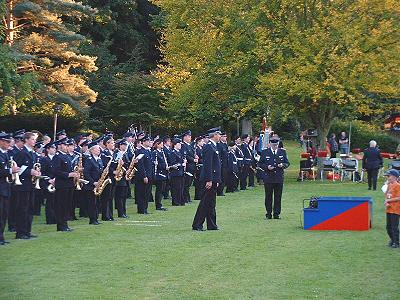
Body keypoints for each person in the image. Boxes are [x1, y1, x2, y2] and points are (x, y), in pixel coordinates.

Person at [192, 128, 221, 231]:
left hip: (213, 178)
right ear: (214, 135)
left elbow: (216, 165)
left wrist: (216, 180)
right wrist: (209, 180)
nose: (220, 136)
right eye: (218, 134)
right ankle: (197, 224)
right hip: (209, 179)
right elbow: (208, 165)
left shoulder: (214, 146)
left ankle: (212, 224)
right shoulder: (209, 147)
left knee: (211, 203)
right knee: (205, 203)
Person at [14, 132, 41, 239]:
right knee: (23, 209)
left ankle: (27, 231)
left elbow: (34, 168)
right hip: (23, 185)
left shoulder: (33, 153)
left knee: (30, 208)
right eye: (33, 139)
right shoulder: (21, 153)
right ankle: (20, 232)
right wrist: (30, 171)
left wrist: (37, 172)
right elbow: (16, 168)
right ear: (26, 140)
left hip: (31, 184)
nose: (34, 141)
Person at [259, 136, 290, 219]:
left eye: (276, 144)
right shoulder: (265, 152)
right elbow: (260, 164)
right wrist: (267, 167)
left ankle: (276, 213)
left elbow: (287, 163)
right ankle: (268, 213)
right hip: (268, 178)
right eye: (273, 144)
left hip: (278, 177)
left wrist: (282, 165)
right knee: (268, 196)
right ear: (270, 144)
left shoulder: (282, 152)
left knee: (278, 196)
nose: (275, 146)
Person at [52, 138, 79, 232]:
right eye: (65, 145)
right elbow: (56, 171)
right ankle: (61, 225)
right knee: (61, 205)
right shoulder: (57, 156)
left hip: (69, 184)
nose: (67, 147)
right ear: (60, 146)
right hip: (62, 185)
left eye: (68, 145)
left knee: (66, 205)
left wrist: (74, 174)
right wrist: (68, 175)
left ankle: (65, 224)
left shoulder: (66, 156)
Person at [0, 132, 19, 245]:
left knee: (4, 214)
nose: (9, 144)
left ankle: (1, 237)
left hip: (5, 188)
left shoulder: (6, 154)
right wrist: (10, 171)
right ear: (1, 141)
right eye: (7, 142)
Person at [83, 143, 103, 225]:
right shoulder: (89, 159)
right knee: (92, 202)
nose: (99, 150)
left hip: (98, 184)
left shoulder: (99, 159)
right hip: (91, 185)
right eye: (97, 149)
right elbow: (86, 173)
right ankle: (92, 219)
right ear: (92, 150)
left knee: (97, 202)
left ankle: (96, 218)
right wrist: (93, 182)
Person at [135, 135, 153, 214]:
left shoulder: (148, 151)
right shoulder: (140, 151)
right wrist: (144, 176)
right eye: (148, 141)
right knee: (142, 193)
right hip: (143, 177)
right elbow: (140, 165)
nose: (149, 143)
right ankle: (141, 209)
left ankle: (145, 208)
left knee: (147, 193)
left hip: (149, 175)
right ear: (143, 142)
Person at [384, 169, 400, 248]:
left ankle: (396, 242)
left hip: (395, 209)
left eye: (389, 176)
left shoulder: (398, 185)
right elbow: (386, 194)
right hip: (389, 209)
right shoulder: (390, 185)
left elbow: (399, 198)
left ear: (394, 177)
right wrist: (386, 201)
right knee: (388, 227)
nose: (388, 177)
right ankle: (392, 239)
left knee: (394, 227)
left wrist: (388, 200)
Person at [152, 138, 168, 211]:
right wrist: (163, 166)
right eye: (161, 144)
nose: (162, 145)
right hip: (159, 173)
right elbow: (156, 164)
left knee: (162, 190)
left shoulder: (162, 152)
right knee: (159, 190)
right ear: (157, 144)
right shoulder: (155, 153)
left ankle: (160, 204)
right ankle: (158, 205)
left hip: (164, 173)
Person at [181, 130, 196, 203]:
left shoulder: (189, 145)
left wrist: (195, 157)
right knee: (186, 184)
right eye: (189, 136)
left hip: (192, 167)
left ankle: (187, 198)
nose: (190, 138)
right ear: (185, 137)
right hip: (187, 167)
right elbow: (185, 155)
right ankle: (185, 198)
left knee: (189, 184)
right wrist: (193, 159)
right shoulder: (183, 145)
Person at [169, 138, 185, 206]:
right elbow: (173, 164)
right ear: (175, 145)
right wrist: (181, 164)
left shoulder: (179, 152)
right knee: (175, 188)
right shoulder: (173, 153)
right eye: (179, 144)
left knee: (180, 188)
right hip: (175, 173)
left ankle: (180, 200)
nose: (180, 146)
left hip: (180, 173)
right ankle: (176, 202)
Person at [217, 132, 228, 196]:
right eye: (224, 136)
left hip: (225, 163)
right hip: (221, 164)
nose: (225, 138)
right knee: (221, 178)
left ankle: (221, 190)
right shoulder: (219, 145)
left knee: (224, 178)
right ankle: (219, 191)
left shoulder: (224, 144)